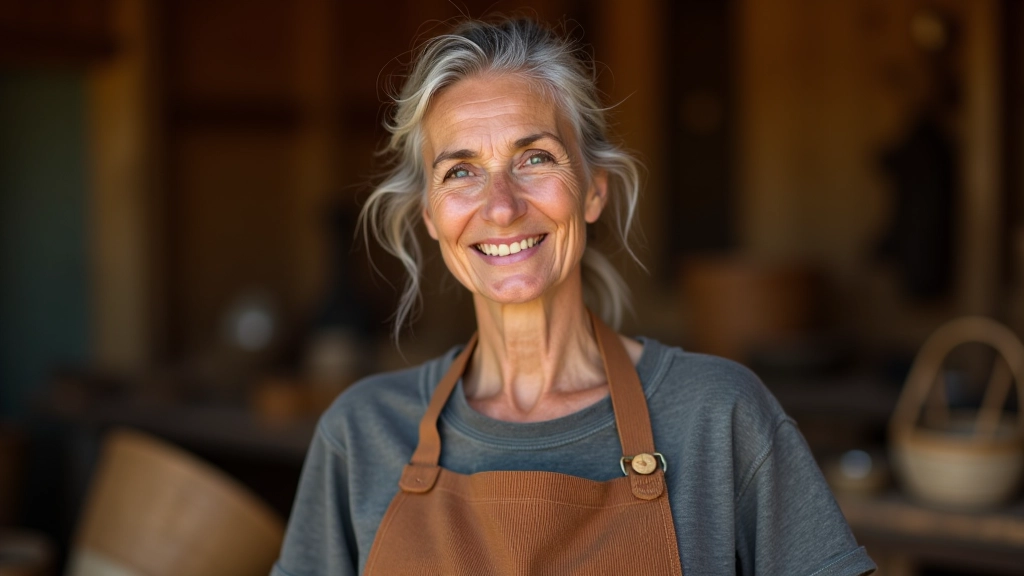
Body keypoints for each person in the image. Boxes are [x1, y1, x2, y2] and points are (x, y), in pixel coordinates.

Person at [273, 17, 876, 576]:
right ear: (430, 215)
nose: (502, 206)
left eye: (534, 158)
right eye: (461, 171)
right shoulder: (363, 433)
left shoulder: (719, 417)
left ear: (593, 193)